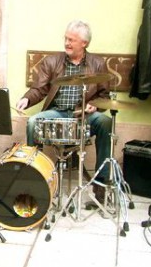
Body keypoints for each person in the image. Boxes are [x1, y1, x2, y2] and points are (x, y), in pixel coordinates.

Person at [15, 20, 112, 203]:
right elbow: (39, 89)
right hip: (57, 113)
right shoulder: (52, 61)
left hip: (84, 116)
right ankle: (35, 176)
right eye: (66, 38)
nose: (67, 43)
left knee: (106, 123)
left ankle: (101, 182)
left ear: (84, 43)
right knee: (33, 122)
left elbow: (104, 95)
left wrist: (95, 105)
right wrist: (26, 99)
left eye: (72, 40)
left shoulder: (97, 63)